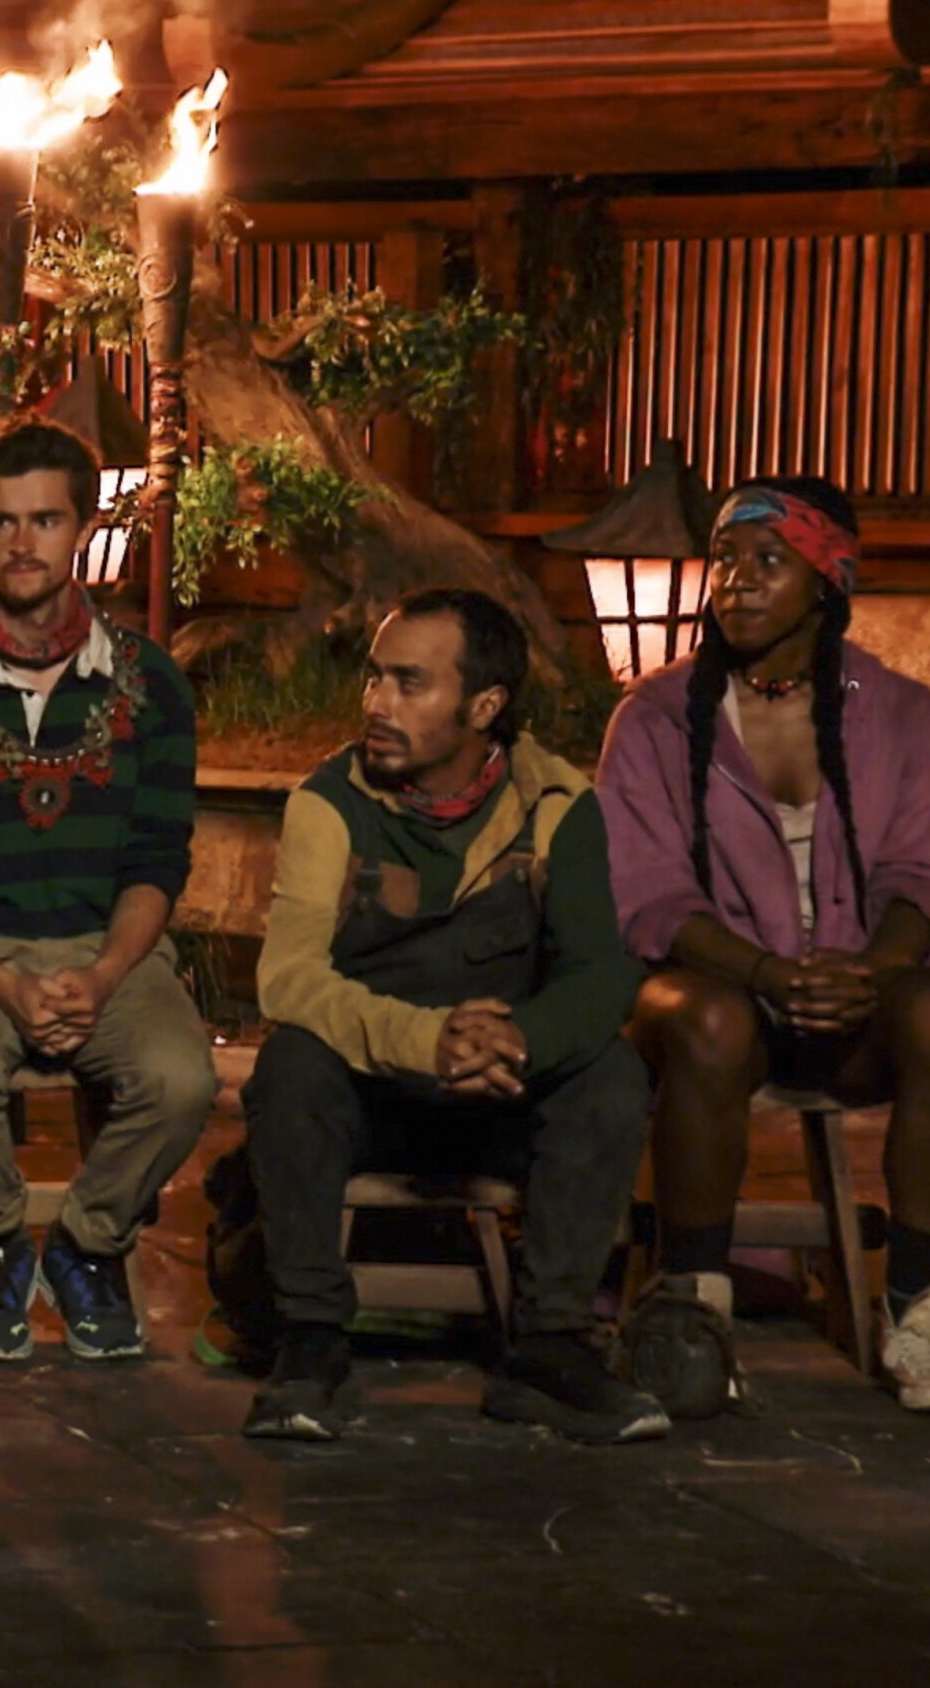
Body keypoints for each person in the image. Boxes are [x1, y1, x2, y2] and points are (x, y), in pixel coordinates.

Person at [600, 477, 930, 1416]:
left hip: (856, 996)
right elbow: (646, 896)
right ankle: (696, 1309)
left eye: (769, 560)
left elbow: (928, 880)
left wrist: (870, 972)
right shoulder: (657, 716)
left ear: (829, 580)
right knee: (706, 1018)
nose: (735, 580)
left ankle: (920, 1313)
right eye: (724, 559)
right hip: (715, 999)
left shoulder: (899, 712)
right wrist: (765, 972)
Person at [239, 589, 665, 1443]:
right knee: (290, 1065)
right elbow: (289, 978)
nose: (377, 703)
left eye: (410, 683)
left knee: (609, 1073)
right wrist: (425, 1041)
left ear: (484, 705)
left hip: (500, 1090)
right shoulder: (331, 802)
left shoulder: (557, 804)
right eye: (375, 679)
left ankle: (551, 1346)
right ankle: (311, 1342)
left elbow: (600, 972)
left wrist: (521, 1039)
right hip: (375, 1096)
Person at [0, 415, 217, 1363]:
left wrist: (101, 977)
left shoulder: (152, 683)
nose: (23, 543)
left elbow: (157, 859)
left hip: (109, 950)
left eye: (46, 520)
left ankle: (86, 1244)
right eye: (3, 521)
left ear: (83, 527)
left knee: (182, 1079)